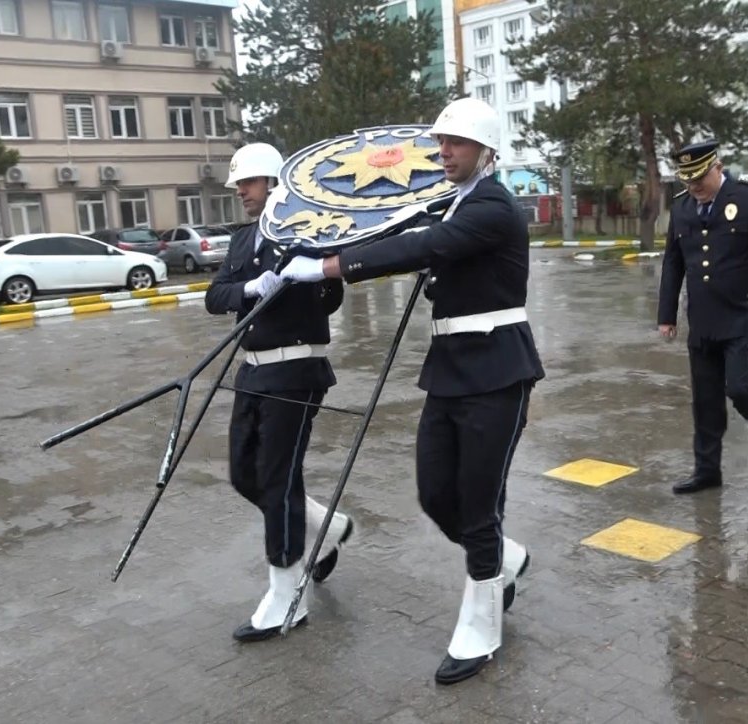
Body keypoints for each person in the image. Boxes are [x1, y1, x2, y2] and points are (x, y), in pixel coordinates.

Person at [278, 97, 543, 685]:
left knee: (478, 504)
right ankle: (505, 559)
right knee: (434, 493)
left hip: (497, 369)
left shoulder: (494, 205)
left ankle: (481, 626)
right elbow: (402, 229)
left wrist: (329, 268)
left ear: (486, 151)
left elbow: (418, 248)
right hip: (450, 366)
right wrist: (326, 240)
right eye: (442, 142)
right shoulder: (454, 203)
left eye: (457, 144)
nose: (444, 152)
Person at [203, 143, 355, 643]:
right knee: (245, 474)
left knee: (277, 479)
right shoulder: (246, 238)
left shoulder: (307, 231)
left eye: (247, 182)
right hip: (251, 371)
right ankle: (327, 530)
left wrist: (311, 266)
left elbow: (331, 295)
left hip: (295, 371)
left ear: (273, 182)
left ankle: (287, 595)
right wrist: (251, 287)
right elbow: (215, 295)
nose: (241, 192)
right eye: (240, 185)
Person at [657, 140, 748, 495]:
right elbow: (673, 263)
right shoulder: (682, 208)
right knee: (705, 401)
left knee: (742, 387)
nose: (695, 187)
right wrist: (666, 315)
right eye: (688, 181)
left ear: (717, 167)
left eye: (700, 178)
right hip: (703, 321)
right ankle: (706, 471)